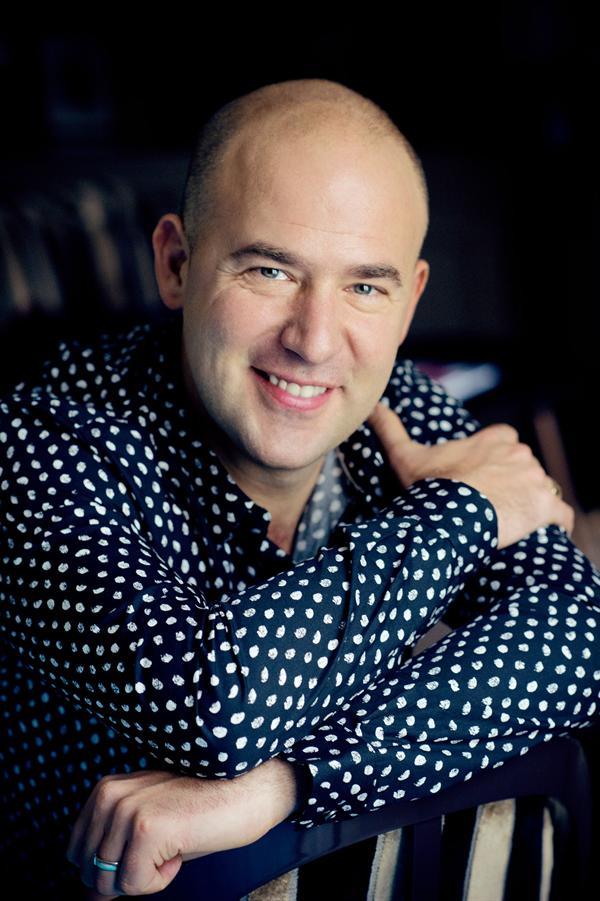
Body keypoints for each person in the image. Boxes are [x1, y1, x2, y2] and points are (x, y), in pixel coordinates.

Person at [0, 78, 598, 899]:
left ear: (409, 302)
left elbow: (578, 638)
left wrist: (279, 786)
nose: (314, 341)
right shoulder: (42, 441)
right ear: (176, 263)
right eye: (271, 269)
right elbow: (212, 705)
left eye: (365, 287)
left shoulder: (395, 409)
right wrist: (465, 513)